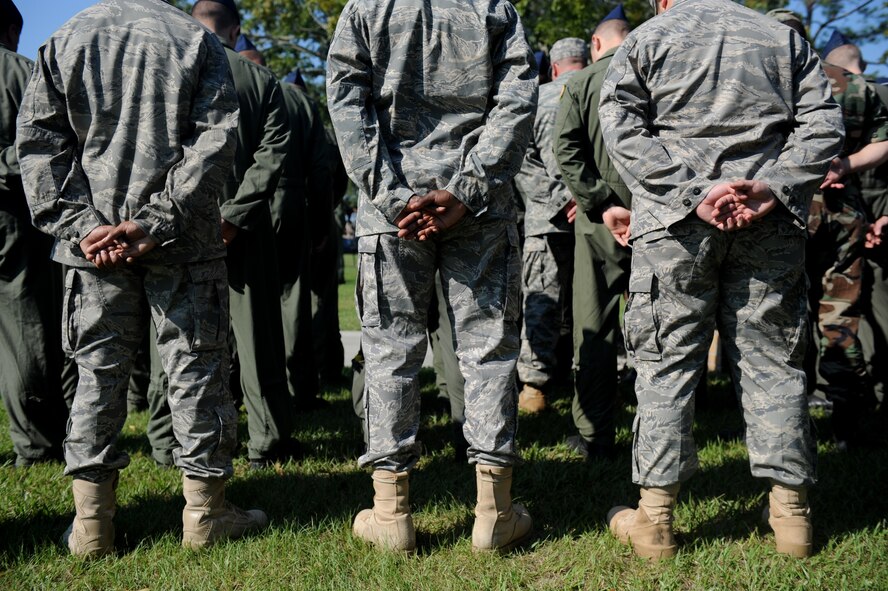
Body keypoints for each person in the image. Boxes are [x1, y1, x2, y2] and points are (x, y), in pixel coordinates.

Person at [16, 0, 268, 556]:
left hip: (96, 249)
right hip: (183, 242)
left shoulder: (63, 39)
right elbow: (218, 138)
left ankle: (91, 527)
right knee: (196, 371)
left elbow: (37, 145)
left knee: (96, 376)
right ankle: (205, 515)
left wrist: (83, 227)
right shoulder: (194, 39)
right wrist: (157, 222)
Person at [598, 0, 843, 559]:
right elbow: (824, 123)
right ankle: (792, 516)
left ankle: (655, 520)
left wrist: (691, 193)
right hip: (768, 222)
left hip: (674, 228)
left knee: (665, 363)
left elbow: (619, 125)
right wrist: (774, 184)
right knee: (774, 362)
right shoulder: (782, 39)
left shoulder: (647, 38)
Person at [327, 0, 538, 553]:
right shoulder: (492, 6)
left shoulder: (365, 8)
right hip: (480, 210)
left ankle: (391, 513)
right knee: (489, 354)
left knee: (391, 354)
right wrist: (468, 189)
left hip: (392, 212)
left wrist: (396, 198)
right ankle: (494, 513)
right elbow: (517, 99)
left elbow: (348, 104)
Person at [180, 0, 298, 468]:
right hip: (245, 232)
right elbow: (273, 154)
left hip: (184, 227)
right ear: (236, 29)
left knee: (182, 339)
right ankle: (267, 440)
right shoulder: (261, 80)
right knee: (258, 343)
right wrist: (235, 214)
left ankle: (172, 441)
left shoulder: (174, 72)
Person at [553, 5, 632, 461]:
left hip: (599, 222)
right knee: (664, 328)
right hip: (662, 218)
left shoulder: (580, 83)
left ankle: (595, 434)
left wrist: (599, 201)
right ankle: (665, 432)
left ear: (595, 45)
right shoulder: (656, 75)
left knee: (595, 328)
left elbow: (566, 147)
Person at [0, 0, 73, 468]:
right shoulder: (24, 73)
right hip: (16, 216)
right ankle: (37, 443)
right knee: (27, 326)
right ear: (10, 30)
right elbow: (48, 146)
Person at [512, 37, 585, 414]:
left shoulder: (536, 100)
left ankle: (534, 388)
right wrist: (587, 200)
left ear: (554, 67)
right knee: (593, 304)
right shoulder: (600, 90)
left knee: (542, 303)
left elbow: (530, 162)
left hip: (545, 220)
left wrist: (560, 200)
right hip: (597, 217)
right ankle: (599, 381)